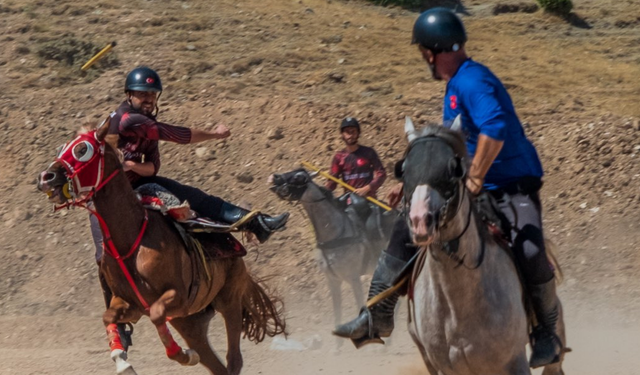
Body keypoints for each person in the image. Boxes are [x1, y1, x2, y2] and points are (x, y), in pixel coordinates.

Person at [333, 8, 563, 368]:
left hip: (511, 186)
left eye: (423, 53)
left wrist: (473, 179)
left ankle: (547, 332)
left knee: (531, 249)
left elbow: (494, 128)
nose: (425, 60)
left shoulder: (473, 81)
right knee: (406, 229)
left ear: (430, 51)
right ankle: (377, 314)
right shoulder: (455, 85)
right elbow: (450, 148)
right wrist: (416, 185)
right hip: (473, 185)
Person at [93, 66, 289, 348]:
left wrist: (133, 165)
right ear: (129, 95)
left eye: (152, 94)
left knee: (192, 198)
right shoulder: (127, 120)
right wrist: (214, 134)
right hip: (112, 198)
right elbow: (175, 134)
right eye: (142, 94)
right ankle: (119, 327)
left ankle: (254, 223)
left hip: (139, 185)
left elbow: (153, 167)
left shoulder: (144, 120)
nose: (148, 99)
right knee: (103, 258)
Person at [326, 117, 387, 198]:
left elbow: (381, 174)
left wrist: (367, 188)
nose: (350, 135)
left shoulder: (369, 152)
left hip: (369, 200)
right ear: (342, 134)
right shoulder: (339, 157)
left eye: (353, 131)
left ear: (358, 133)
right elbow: (332, 181)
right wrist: (322, 191)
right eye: (347, 132)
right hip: (349, 201)